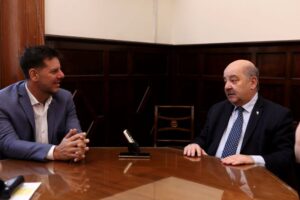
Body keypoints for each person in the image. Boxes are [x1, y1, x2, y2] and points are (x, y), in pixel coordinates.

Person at [183, 59, 295, 185]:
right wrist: (195, 145)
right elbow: (203, 138)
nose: (227, 86)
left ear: (253, 82)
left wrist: (252, 159)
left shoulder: (277, 115)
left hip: (251, 185)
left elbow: (285, 157)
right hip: (212, 181)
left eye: (234, 80)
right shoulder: (217, 109)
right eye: (225, 81)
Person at [0, 45, 89, 162]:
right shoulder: (4, 100)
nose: (62, 75)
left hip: (57, 172)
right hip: (18, 171)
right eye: (54, 71)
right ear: (34, 75)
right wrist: (54, 152)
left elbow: (75, 135)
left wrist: (77, 146)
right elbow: (9, 144)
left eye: (60, 69)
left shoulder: (65, 98)